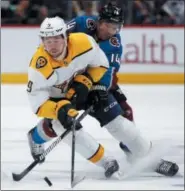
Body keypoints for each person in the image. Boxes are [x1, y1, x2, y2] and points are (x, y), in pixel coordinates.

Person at [67, 2, 179, 177]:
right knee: (57, 119)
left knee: (124, 114)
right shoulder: (82, 24)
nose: (111, 31)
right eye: (107, 25)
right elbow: (55, 39)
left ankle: (139, 153)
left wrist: (98, 89)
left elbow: (108, 71)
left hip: (95, 80)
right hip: (67, 80)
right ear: (98, 21)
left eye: (115, 27)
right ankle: (36, 138)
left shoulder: (114, 42)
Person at [26, 16, 121, 178]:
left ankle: (36, 135)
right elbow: (38, 104)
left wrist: (86, 81)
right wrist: (59, 109)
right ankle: (106, 160)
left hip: (77, 84)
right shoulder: (38, 66)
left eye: (56, 39)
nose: (52, 45)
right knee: (64, 126)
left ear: (65, 36)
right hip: (53, 96)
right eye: (47, 41)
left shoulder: (83, 42)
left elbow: (102, 65)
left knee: (108, 110)